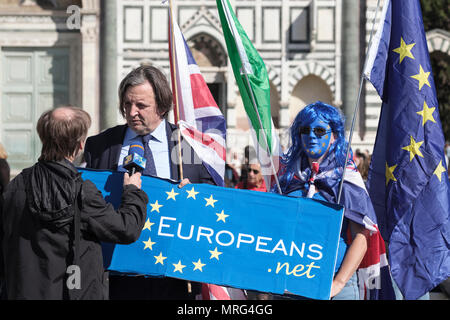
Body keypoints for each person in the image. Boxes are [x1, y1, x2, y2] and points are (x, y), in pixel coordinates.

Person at [83, 65, 215, 300]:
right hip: (118, 275)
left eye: (141, 106)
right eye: (127, 104)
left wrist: (195, 196)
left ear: (162, 107)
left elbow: (214, 202)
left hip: (175, 276)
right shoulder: (100, 146)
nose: (131, 112)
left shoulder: (191, 146)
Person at [0, 106, 149, 300]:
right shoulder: (82, 192)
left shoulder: (15, 187)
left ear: (43, 137)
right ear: (80, 145)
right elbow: (127, 228)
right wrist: (133, 192)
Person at [272, 101, 372, 300]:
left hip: (332, 286)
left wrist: (338, 283)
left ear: (334, 136)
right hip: (288, 284)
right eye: (305, 129)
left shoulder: (346, 178)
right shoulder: (287, 177)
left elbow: (362, 236)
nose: (311, 136)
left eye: (319, 130)